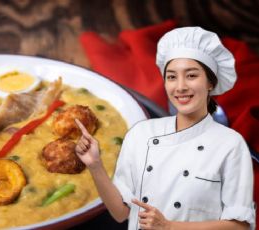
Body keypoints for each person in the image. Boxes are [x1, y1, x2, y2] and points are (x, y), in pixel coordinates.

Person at [75, 27, 256, 230]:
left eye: (191, 76)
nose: (180, 87)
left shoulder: (231, 145)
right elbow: (120, 213)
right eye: (171, 77)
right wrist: (95, 165)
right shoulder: (139, 133)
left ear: (210, 83)